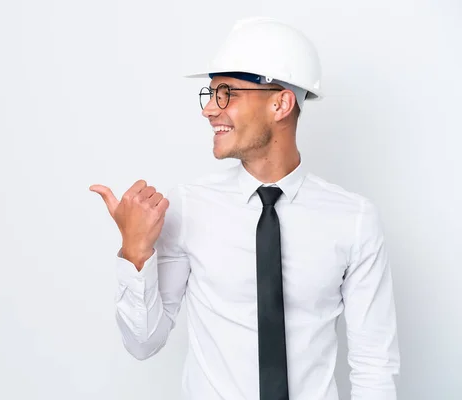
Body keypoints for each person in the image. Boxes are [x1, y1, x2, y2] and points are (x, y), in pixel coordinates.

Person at [90, 17, 400, 400]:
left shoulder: (354, 220)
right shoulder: (189, 206)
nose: (209, 110)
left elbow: (374, 365)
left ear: (280, 102)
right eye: (210, 94)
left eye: (227, 94)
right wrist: (135, 251)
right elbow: (143, 343)